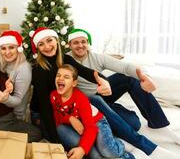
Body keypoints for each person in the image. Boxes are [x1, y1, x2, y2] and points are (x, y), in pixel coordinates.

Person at [67, 28, 179, 158]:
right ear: (69, 44)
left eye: (83, 42)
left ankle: (159, 125)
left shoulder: (96, 57)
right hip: (88, 103)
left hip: (102, 94)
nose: (80, 45)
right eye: (76, 43)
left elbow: (124, 67)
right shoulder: (66, 60)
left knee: (129, 78)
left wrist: (144, 77)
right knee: (134, 124)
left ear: (88, 43)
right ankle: (136, 138)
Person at [29, 27, 111, 143]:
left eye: (49, 40)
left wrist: (104, 81)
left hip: (64, 108)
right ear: (37, 48)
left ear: (56, 40)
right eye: (41, 44)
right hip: (44, 112)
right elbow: (45, 106)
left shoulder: (65, 59)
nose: (47, 47)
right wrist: (55, 140)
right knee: (74, 142)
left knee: (92, 138)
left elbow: (84, 71)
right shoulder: (38, 70)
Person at [51, 64, 134, 159]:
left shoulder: (80, 99)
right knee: (95, 156)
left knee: (108, 152)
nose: (61, 78)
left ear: (74, 83)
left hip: (96, 122)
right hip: (80, 125)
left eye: (66, 77)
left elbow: (91, 128)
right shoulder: (53, 96)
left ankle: (119, 145)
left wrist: (82, 149)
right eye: (58, 75)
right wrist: (69, 118)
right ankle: (101, 142)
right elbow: (57, 115)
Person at [0, 30, 32, 120]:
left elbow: (17, 100)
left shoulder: (24, 68)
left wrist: (5, 98)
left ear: (18, 48)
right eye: (3, 48)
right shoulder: (2, 63)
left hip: (15, 116)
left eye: (11, 47)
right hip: (0, 109)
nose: (7, 52)